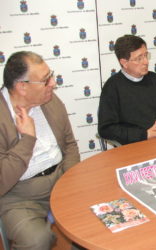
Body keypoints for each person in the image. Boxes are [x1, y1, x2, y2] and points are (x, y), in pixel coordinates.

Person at [0, 51, 80, 249]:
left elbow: (70, 144)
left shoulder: (50, 100)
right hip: (19, 197)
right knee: (36, 241)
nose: (53, 83)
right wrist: (27, 140)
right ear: (22, 87)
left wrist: (70, 180)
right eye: (46, 80)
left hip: (61, 180)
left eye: (50, 75)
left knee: (97, 220)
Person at [98, 35, 156, 145]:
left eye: (146, 55)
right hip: (136, 147)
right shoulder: (112, 87)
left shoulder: (154, 79)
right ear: (124, 62)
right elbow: (106, 129)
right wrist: (145, 135)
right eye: (139, 58)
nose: (146, 62)